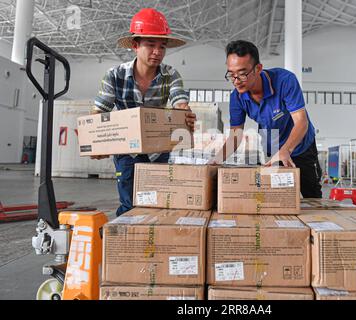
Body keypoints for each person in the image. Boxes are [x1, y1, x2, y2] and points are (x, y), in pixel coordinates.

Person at [92, 8, 196, 216]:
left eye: (162, 46)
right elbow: (99, 112)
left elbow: (179, 102)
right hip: (126, 152)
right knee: (129, 204)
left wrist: (186, 115)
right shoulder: (114, 75)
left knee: (156, 204)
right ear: (135, 45)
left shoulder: (170, 75)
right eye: (150, 45)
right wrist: (95, 141)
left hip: (158, 149)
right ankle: (124, 243)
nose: (157, 52)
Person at [210, 40, 322, 198]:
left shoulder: (285, 81)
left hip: (301, 147)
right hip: (272, 148)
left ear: (258, 68)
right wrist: (217, 158)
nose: (236, 81)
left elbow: (301, 122)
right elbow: (236, 135)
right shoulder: (237, 97)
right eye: (231, 74)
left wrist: (286, 151)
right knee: (276, 198)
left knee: (311, 194)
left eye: (242, 74)